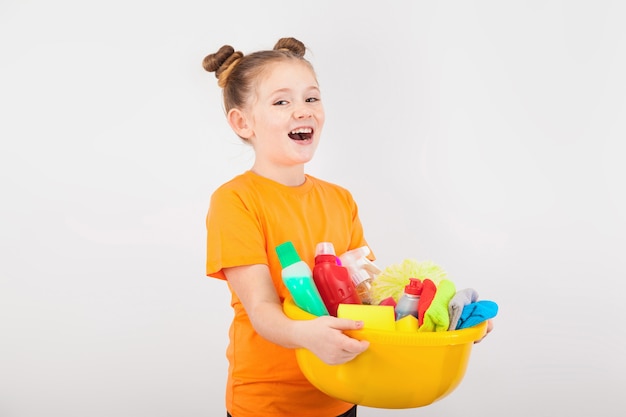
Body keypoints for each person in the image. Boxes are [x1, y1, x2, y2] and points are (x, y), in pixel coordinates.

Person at [202, 37, 372, 417]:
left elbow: (368, 294)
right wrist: (306, 338)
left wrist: (432, 327)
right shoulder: (236, 201)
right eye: (282, 102)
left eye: (311, 98)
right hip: (268, 404)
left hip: (343, 392)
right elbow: (262, 308)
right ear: (243, 122)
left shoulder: (340, 199)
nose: (303, 111)